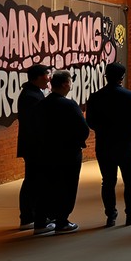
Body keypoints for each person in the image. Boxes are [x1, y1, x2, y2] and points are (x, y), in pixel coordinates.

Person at [86, 62, 131, 227]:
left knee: (107, 181)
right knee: (130, 181)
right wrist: (129, 131)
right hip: (126, 143)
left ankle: (111, 215)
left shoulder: (95, 97)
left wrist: (103, 130)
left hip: (104, 144)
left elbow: (90, 121)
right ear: (122, 77)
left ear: (105, 76)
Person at [32, 70, 89, 234]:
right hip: (68, 153)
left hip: (45, 153)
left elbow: (34, 129)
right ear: (65, 84)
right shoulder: (69, 105)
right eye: (70, 82)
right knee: (67, 186)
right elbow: (83, 129)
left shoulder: (41, 105)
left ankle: (40, 223)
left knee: (45, 186)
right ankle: (62, 221)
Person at [17, 63, 50, 232]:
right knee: (34, 181)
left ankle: (30, 216)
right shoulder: (31, 96)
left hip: (33, 146)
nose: (48, 78)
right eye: (46, 75)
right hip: (35, 147)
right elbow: (36, 124)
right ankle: (29, 216)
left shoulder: (33, 93)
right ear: (37, 77)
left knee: (32, 180)